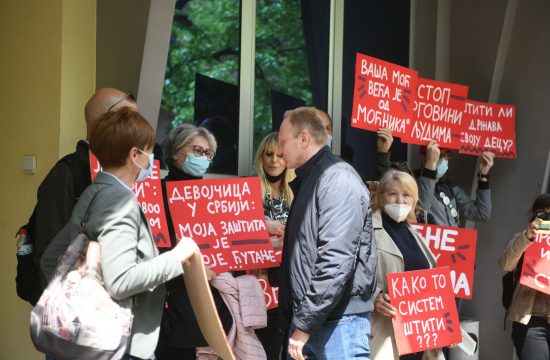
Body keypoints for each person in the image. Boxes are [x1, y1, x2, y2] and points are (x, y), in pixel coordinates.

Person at [41, 107, 199, 360]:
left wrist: (77, 302)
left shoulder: (94, 192)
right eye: (149, 151)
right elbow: (121, 281)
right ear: (134, 155)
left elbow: (50, 260)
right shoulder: (121, 202)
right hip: (115, 342)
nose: (151, 159)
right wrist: (177, 258)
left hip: (82, 339)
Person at [278, 107, 376, 360]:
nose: (279, 151)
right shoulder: (315, 178)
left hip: (336, 325)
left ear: (304, 138)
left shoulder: (337, 178)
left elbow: (336, 260)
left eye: (282, 142)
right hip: (314, 320)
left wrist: (303, 326)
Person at [34, 88, 137, 289]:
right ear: (106, 121)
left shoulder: (134, 172)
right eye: (130, 119)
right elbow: (50, 256)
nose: (138, 128)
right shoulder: (67, 173)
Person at [155, 123, 233, 360]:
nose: (204, 158)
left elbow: (230, 241)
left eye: (208, 154)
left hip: (209, 308)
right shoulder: (156, 194)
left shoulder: (213, 198)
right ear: (175, 152)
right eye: (198, 151)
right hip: (171, 307)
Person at [370, 170, 444, 360]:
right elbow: (349, 273)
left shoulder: (414, 232)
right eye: (393, 193)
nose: (400, 201)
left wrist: (443, 324)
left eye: (407, 195)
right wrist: (374, 296)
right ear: (381, 196)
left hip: (419, 339)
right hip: (384, 334)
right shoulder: (367, 229)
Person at [253, 131, 294, 359]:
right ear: (261, 157)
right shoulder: (247, 187)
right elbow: (235, 229)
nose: (274, 160)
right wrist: (263, 226)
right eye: (269, 154)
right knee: (262, 344)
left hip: (289, 276)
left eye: (280, 155)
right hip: (258, 277)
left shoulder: (298, 190)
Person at [499, 193, 550, 360]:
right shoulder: (521, 238)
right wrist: (527, 238)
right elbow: (505, 264)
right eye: (542, 214)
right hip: (531, 322)